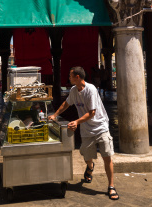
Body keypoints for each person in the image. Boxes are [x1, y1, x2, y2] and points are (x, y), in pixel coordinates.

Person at [48, 66, 119, 201]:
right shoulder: (74, 90)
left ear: (77, 77)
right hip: (86, 130)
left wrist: (76, 122)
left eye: (70, 76)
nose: (69, 78)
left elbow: (92, 113)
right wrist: (55, 115)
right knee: (86, 154)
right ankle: (90, 166)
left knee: (107, 157)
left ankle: (111, 186)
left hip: (100, 127)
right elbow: (66, 103)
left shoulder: (91, 90)